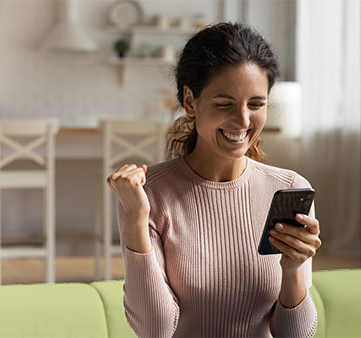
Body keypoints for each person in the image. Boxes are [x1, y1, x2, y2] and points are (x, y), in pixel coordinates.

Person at [107, 22, 321, 337]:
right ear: (190, 101)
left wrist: (292, 271)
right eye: (225, 104)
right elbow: (156, 330)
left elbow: (295, 335)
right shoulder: (148, 193)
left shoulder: (289, 189)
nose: (244, 121)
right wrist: (137, 220)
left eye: (256, 104)